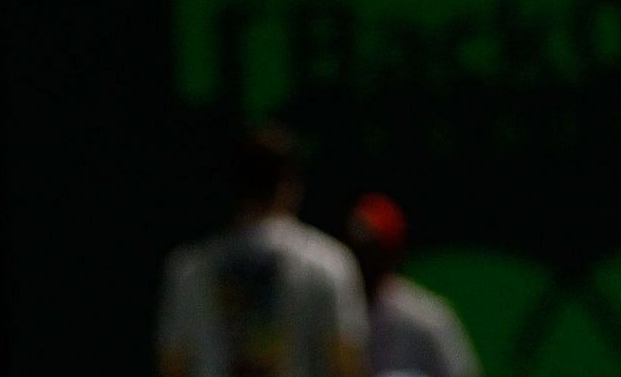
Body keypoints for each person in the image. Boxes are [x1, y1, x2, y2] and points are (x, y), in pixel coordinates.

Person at [158, 128, 371, 377]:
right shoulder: (329, 263)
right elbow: (345, 363)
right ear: (290, 185)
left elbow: (173, 366)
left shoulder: (190, 267)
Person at [344, 194, 480, 377]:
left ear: (391, 255)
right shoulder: (331, 310)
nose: (361, 260)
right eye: (355, 247)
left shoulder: (427, 318)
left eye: (371, 250)